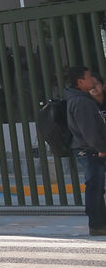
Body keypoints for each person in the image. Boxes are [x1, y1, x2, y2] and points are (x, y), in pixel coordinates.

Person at [65, 66, 106, 236]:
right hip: (90, 150)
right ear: (80, 82)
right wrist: (101, 148)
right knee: (95, 187)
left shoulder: (80, 99)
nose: (92, 81)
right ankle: (97, 224)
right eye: (89, 78)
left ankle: (99, 223)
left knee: (96, 187)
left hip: (89, 149)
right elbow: (90, 131)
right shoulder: (82, 102)